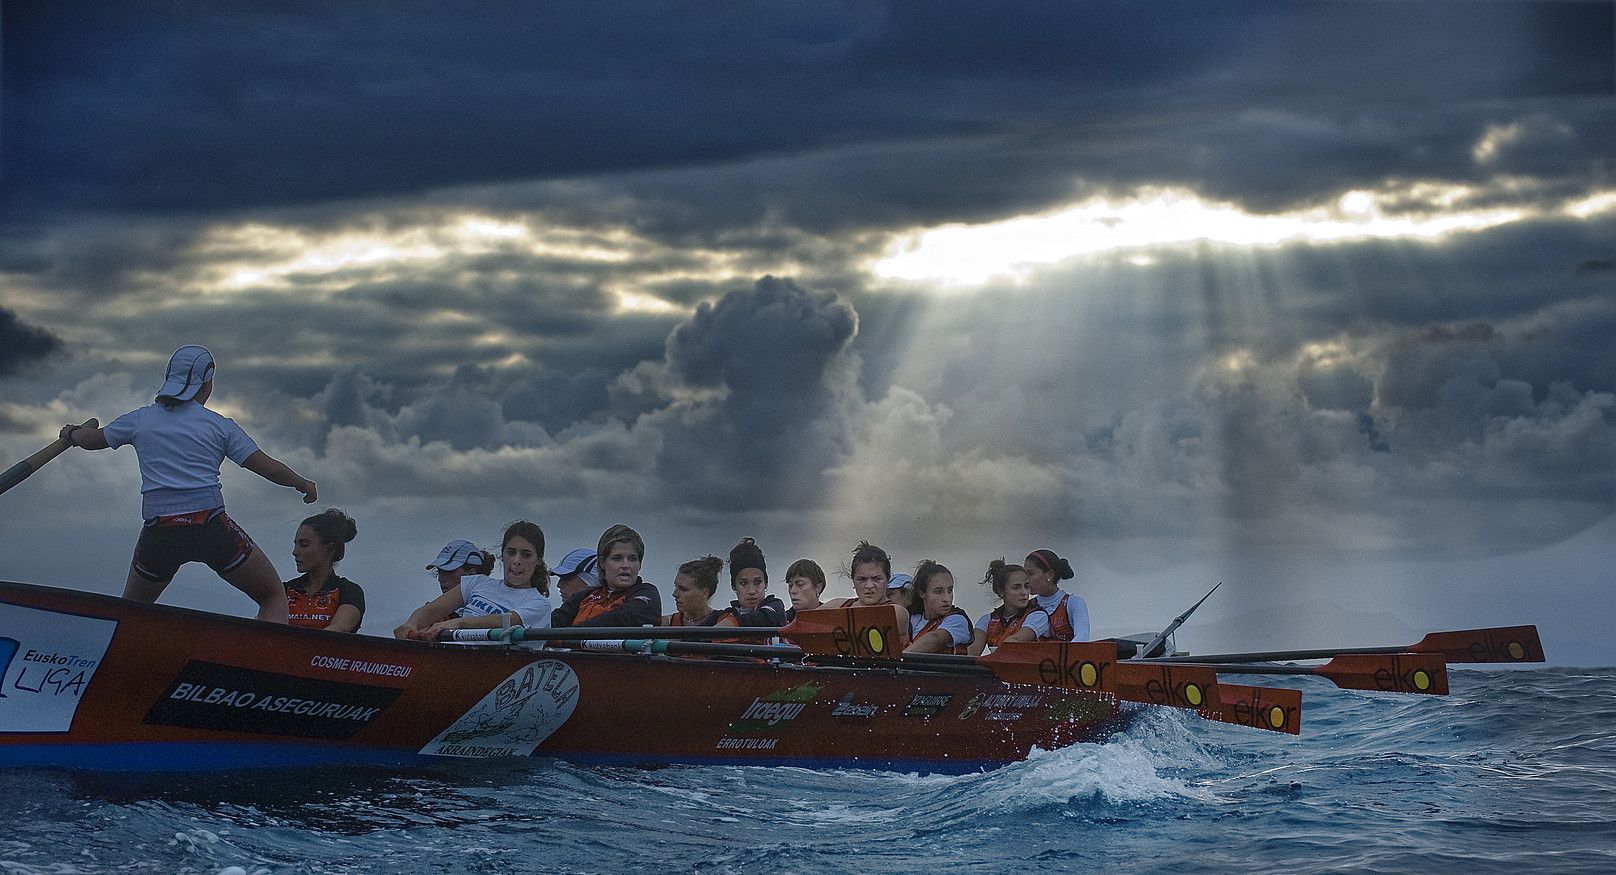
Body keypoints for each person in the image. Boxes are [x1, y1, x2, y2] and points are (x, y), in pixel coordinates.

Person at [58, 345, 315, 623]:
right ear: (207, 383)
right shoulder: (220, 426)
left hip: (161, 532)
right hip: (210, 526)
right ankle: (264, 660)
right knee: (273, 595)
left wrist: (72, 432)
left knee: (130, 612)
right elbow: (271, 469)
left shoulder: (141, 419)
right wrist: (302, 484)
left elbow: (92, 440)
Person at [393, 521, 552, 639]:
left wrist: (461, 623)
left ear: (538, 560)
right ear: (502, 555)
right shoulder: (477, 583)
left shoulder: (539, 604)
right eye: (511, 552)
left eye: (526, 554)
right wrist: (411, 623)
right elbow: (432, 610)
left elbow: (509, 621)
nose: (517, 561)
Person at [552, 524, 661, 627]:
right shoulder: (584, 596)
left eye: (633, 559)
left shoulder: (648, 592)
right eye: (617, 558)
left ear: (639, 564)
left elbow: (621, 618)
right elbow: (552, 623)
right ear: (602, 563)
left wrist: (566, 636)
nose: (625, 565)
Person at [284, 508, 365, 632]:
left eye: (304, 545)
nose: (295, 552)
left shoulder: (350, 592)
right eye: (295, 544)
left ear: (329, 548)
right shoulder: (285, 590)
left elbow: (340, 629)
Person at [967, 559, 1050, 656]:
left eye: (1026, 586)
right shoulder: (987, 620)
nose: (1024, 592)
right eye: (1016, 587)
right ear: (1001, 591)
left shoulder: (1038, 615)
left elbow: (1015, 641)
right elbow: (973, 651)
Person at [903, 560, 973, 654]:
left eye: (949, 590)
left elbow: (935, 638)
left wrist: (900, 659)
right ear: (922, 593)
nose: (946, 598)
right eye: (938, 592)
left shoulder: (958, 619)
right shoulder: (911, 617)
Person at [718, 537, 787, 627]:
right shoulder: (724, 616)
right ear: (733, 586)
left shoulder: (775, 609)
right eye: (743, 583)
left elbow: (763, 618)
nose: (751, 591)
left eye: (757, 582)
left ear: (766, 583)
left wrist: (730, 624)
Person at [661, 555, 739, 633]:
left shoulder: (724, 621)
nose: (674, 594)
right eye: (676, 586)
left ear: (705, 593)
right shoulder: (665, 623)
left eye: (683, 589)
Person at [1025, 548, 1089, 641]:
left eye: (1030, 574)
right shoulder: (1027, 605)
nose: (1026, 579)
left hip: (1067, 655)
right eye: (1024, 574)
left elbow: (1082, 637)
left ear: (1049, 575)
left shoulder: (1074, 603)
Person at [826, 541, 897, 608]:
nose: (869, 586)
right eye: (862, 579)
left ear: (888, 579)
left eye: (877, 579)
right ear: (853, 580)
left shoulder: (896, 610)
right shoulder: (837, 605)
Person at [427, 538, 494, 595]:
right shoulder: (440, 608)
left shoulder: (493, 604)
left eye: (448, 571)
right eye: (439, 571)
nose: (440, 579)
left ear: (471, 574)